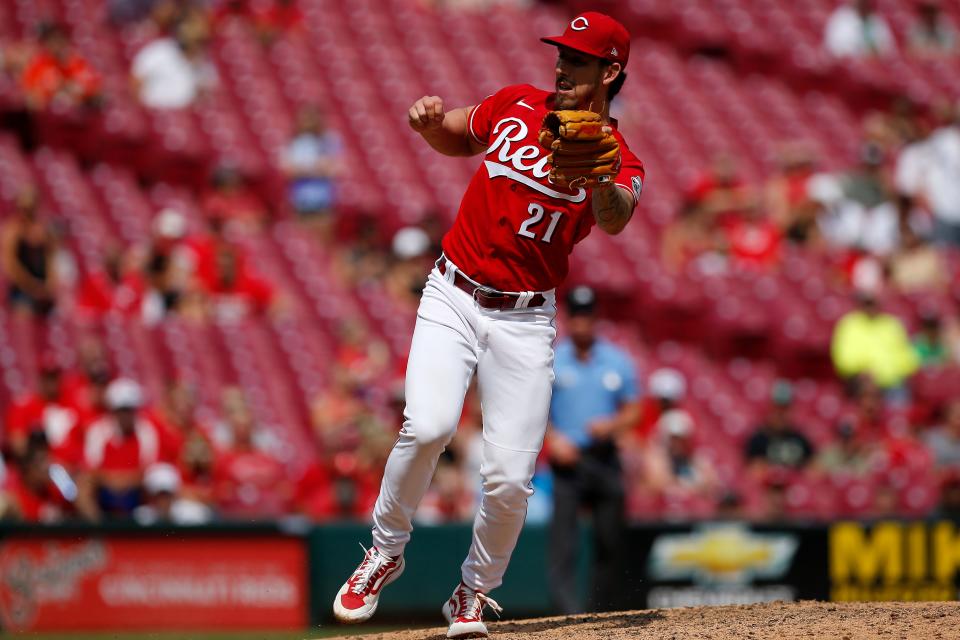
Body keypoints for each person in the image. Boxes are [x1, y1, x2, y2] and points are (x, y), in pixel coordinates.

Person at [331, 13, 645, 639]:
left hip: (525, 320)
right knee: (428, 427)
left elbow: (616, 218)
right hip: (453, 293)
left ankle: (474, 592)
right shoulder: (516, 103)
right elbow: (455, 134)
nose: (562, 66)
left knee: (509, 479)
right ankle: (384, 552)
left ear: (609, 72)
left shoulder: (619, 160)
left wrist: (602, 177)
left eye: (578, 59)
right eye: (561, 54)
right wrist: (428, 126)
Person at [545, 286, 640, 614]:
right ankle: (566, 613)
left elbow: (633, 409)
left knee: (609, 539)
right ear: (569, 319)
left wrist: (611, 425)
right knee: (564, 544)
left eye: (588, 315)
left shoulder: (617, 361)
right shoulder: (555, 359)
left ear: (596, 318)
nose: (583, 322)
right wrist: (553, 439)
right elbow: (537, 410)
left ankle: (603, 611)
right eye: (577, 315)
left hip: (604, 457)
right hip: (567, 460)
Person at [831, 289, 919, 390]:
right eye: (867, 304)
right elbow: (843, 357)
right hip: (861, 381)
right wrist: (862, 369)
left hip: (892, 383)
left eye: (872, 303)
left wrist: (901, 372)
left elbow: (906, 354)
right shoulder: (849, 324)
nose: (870, 308)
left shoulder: (891, 324)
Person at [1, 187, 60, 317]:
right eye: (24, 208)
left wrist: (49, 285)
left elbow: (50, 258)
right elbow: (11, 265)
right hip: (21, 291)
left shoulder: (42, 229)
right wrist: (31, 285)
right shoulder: (13, 230)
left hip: (43, 292)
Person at [744, 381, 814, 478]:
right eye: (777, 408)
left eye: (785, 408)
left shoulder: (800, 439)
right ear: (770, 408)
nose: (781, 413)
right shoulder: (758, 440)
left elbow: (812, 470)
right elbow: (751, 472)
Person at [824, 0, 897, 58]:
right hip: (849, 71)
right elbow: (835, 51)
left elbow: (888, 50)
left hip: (874, 68)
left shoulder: (877, 21)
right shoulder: (839, 20)